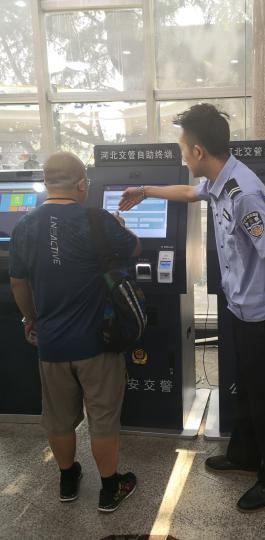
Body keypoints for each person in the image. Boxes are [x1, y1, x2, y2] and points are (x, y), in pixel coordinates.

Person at [119, 104, 265, 513]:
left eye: (184, 148)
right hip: (241, 309)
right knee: (248, 388)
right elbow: (188, 193)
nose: (183, 156)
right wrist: (145, 191)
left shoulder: (244, 193)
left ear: (199, 151)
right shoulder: (220, 182)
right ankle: (245, 455)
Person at [9, 152, 141, 513]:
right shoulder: (97, 220)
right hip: (98, 342)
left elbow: (18, 282)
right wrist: (121, 224)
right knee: (103, 418)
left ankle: (67, 479)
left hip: (51, 343)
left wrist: (31, 319)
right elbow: (134, 248)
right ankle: (110, 488)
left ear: (47, 183)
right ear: (82, 184)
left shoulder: (24, 227)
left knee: (58, 418)